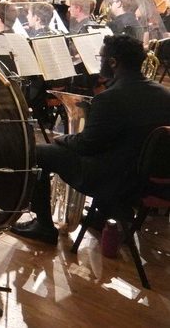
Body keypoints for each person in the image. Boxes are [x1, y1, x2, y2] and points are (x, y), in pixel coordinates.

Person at [11, 35, 170, 245]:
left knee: (39, 152)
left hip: (114, 179)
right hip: (145, 179)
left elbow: (87, 146)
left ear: (113, 62)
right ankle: (101, 216)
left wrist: (63, 139)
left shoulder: (110, 98)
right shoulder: (165, 94)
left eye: (102, 57)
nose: (100, 61)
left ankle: (43, 226)